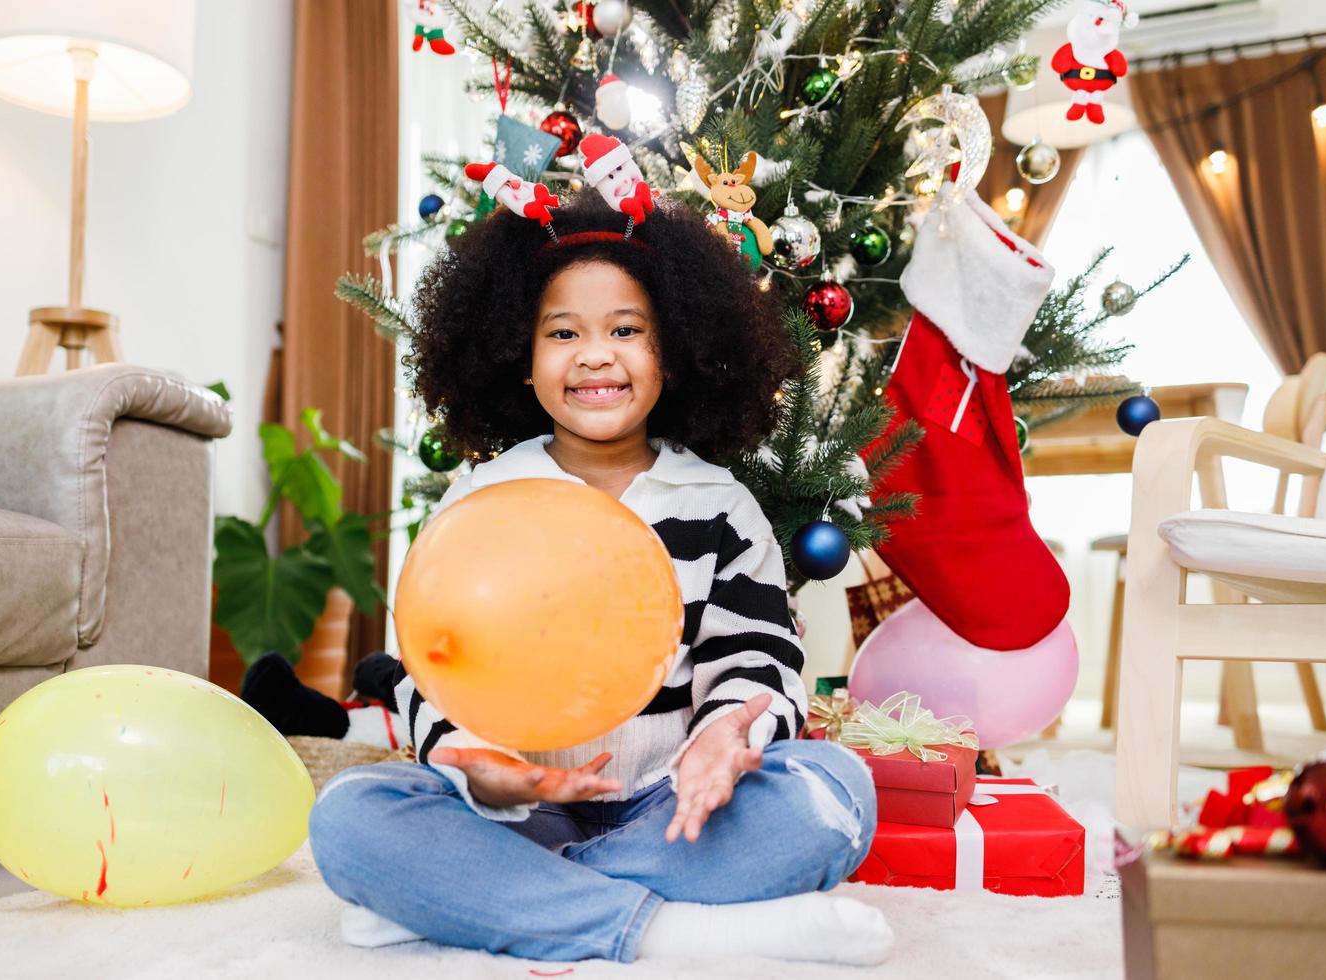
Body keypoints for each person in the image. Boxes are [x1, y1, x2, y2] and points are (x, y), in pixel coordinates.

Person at [303, 188, 890, 966]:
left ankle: (484, 903)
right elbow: (430, 662)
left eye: (626, 330)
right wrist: (477, 765)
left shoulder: (717, 503)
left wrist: (723, 738)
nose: (595, 354)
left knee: (834, 791)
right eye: (562, 333)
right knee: (351, 817)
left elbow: (757, 659)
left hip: (678, 808)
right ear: (519, 356)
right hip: (516, 815)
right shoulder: (482, 498)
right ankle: (670, 929)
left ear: (672, 351)